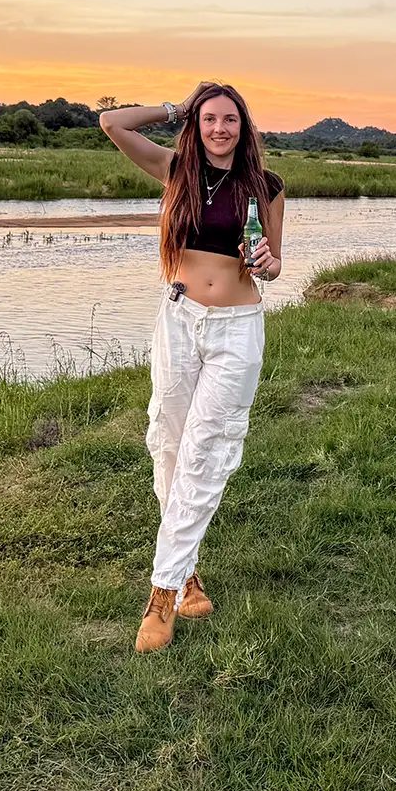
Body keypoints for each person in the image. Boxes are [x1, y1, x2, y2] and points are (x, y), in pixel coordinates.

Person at [99, 82, 285, 653]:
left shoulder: (267, 188)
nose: (220, 129)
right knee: (170, 444)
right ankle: (187, 574)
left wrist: (268, 262)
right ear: (196, 125)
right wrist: (178, 105)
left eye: (230, 120)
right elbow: (113, 122)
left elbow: (274, 267)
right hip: (179, 319)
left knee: (208, 449)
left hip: (236, 327)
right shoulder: (175, 170)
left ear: (244, 127)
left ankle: (160, 594)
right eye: (209, 119)